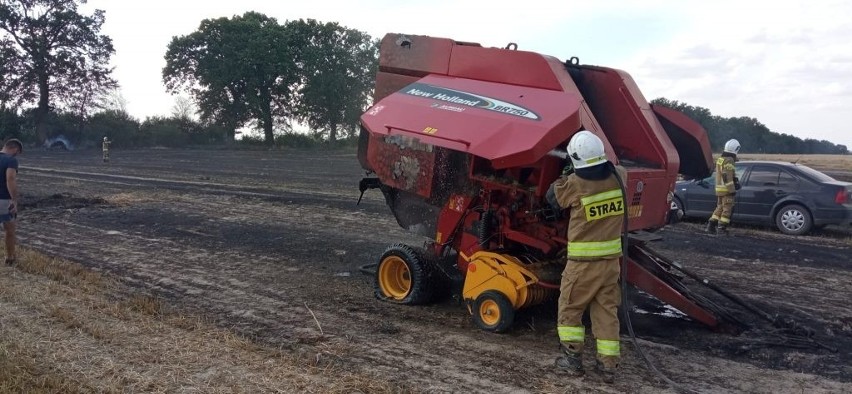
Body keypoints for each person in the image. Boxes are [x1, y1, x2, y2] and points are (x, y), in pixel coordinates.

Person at [547, 130, 626, 383]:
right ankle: (608, 366)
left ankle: (572, 362)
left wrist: (566, 171)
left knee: (570, 309)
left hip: (582, 265)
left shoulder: (575, 184)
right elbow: (615, 167)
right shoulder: (620, 177)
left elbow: (552, 197)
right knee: (606, 313)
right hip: (611, 263)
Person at [705, 139, 741, 235]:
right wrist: (732, 189)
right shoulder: (729, 160)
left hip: (719, 189)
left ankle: (711, 226)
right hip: (726, 190)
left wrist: (735, 179)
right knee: (727, 209)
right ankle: (722, 229)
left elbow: (723, 174)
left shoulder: (721, 159)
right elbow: (726, 175)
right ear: (736, 149)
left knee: (719, 208)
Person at [1, 138, 22, 265]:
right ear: (14, 149)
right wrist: (14, 200)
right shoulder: (11, 160)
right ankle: (10, 258)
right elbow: (10, 179)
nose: (16, 155)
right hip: (3, 200)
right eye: (17, 152)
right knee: (10, 230)